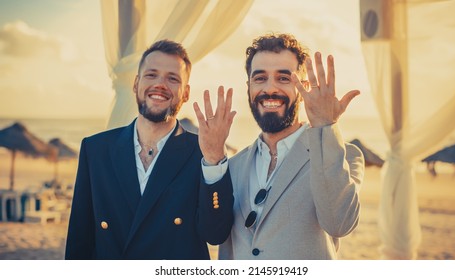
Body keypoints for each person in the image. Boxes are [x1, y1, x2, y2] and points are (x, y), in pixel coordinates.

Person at [65, 39, 235, 260]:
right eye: (151, 75)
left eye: (172, 78)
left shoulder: (203, 153)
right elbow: (80, 239)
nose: (160, 84)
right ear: (136, 84)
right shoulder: (95, 149)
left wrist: (214, 158)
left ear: (185, 93)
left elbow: (215, 234)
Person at [217, 33, 365, 259]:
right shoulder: (233, 166)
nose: (270, 89)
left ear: (304, 88)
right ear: (249, 87)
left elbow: (340, 224)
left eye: (284, 78)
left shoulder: (345, 156)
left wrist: (325, 126)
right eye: (260, 78)